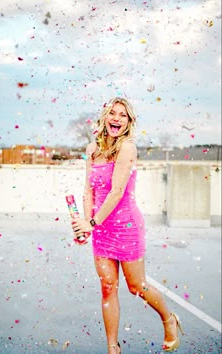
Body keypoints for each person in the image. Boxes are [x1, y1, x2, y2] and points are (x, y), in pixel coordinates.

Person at [72, 97, 184, 353]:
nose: (117, 118)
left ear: (128, 122)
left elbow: (117, 191)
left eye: (123, 115)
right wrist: (84, 226)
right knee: (108, 287)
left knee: (137, 286)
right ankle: (113, 348)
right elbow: (88, 191)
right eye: (113, 113)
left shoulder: (127, 148)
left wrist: (91, 222)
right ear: (105, 117)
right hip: (100, 229)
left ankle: (170, 319)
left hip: (126, 228)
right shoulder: (91, 150)